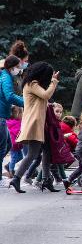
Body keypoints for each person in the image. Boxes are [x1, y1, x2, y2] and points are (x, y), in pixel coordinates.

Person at [9, 62, 60, 193]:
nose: (48, 79)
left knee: (47, 151)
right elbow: (46, 95)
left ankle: (46, 180)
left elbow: (44, 99)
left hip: (40, 124)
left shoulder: (34, 84)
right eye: (48, 76)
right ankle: (16, 178)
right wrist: (54, 81)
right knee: (33, 154)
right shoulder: (32, 84)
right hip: (34, 124)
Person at [0, 55, 24, 183]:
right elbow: (9, 96)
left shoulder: (6, 76)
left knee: (8, 145)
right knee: (2, 147)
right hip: (1, 115)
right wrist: (25, 102)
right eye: (18, 66)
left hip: (3, 114)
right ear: (11, 67)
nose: (19, 68)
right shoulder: (6, 77)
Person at [6, 106, 24, 179]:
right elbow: (18, 132)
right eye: (21, 113)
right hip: (14, 144)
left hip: (16, 144)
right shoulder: (16, 122)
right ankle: (11, 172)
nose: (22, 115)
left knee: (20, 157)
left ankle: (9, 166)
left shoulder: (12, 121)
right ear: (17, 114)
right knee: (14, 158)